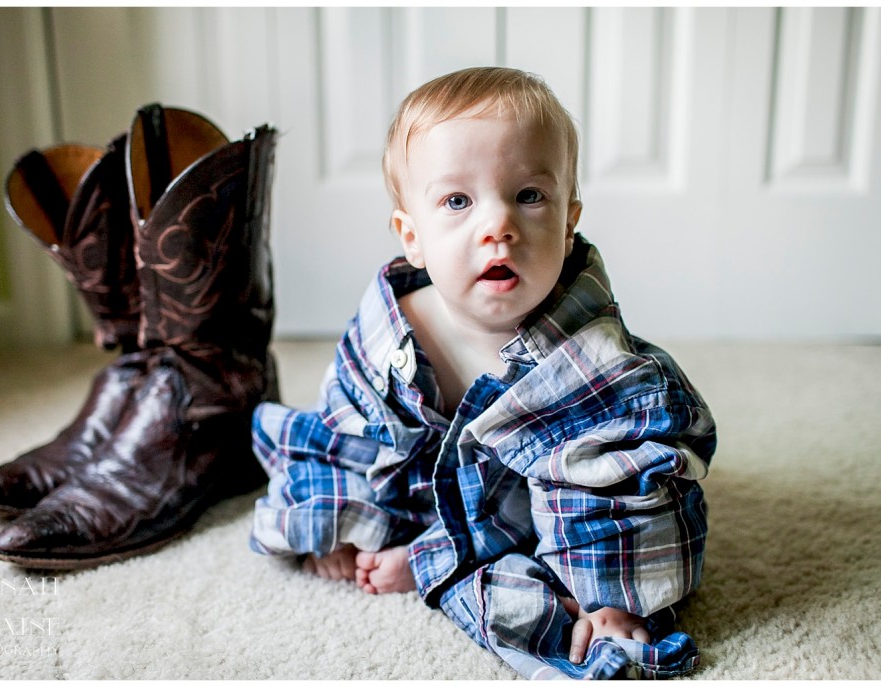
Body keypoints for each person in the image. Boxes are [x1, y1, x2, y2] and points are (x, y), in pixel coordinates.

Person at [249, 67, 715, 679]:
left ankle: (437, 560)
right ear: (411, 237)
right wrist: (353, 514)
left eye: (529, 196)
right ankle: (421, 541)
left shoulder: (597, 365)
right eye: (457, 201)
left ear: (569, 221)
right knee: (318, 484)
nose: (498, 225)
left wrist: (609, 598)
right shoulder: (388, 332)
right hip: (422, 475)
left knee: (565, 566)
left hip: (539, 501)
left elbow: (621, 476)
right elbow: (352, 424)